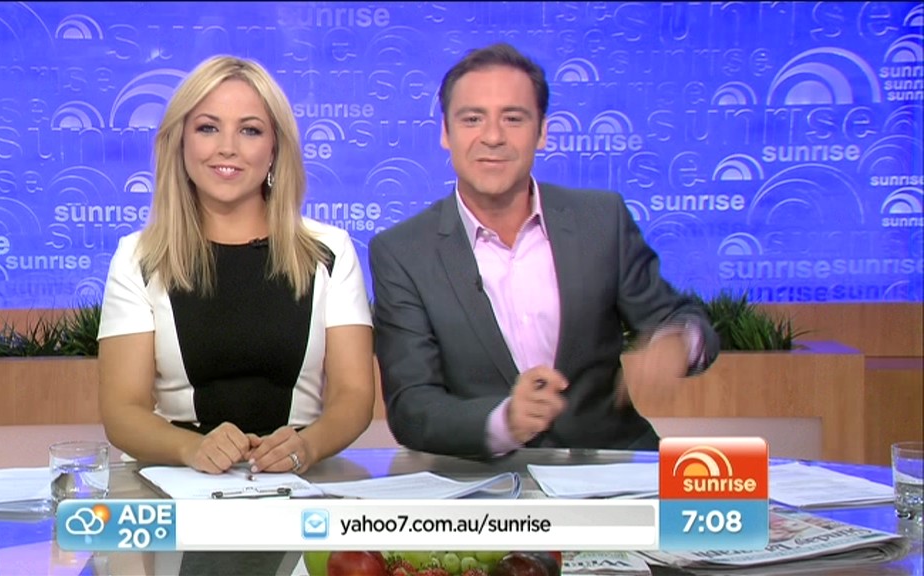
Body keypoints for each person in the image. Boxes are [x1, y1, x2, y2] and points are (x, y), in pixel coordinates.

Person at [369, 43, 719, 458]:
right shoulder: (402, 252)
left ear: (542, 132)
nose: (493, 137)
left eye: (513, 118)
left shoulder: (601, 220)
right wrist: (504, 422)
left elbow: (677, 316)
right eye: (472, 119)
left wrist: (676, 342)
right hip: (487, 482)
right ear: (446, 133)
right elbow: (412, 408)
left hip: (611, 468)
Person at [97, 55, 375, 475]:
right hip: (179, 479)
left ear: (275, 148)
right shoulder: (139, 257)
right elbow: (123, 411)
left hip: (298, 481)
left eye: (250, 130)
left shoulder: (329, 251)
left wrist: (307, 447)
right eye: (208, 128)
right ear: (180, 141)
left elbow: (354, 396)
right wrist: (192, 449)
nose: (227, 147)